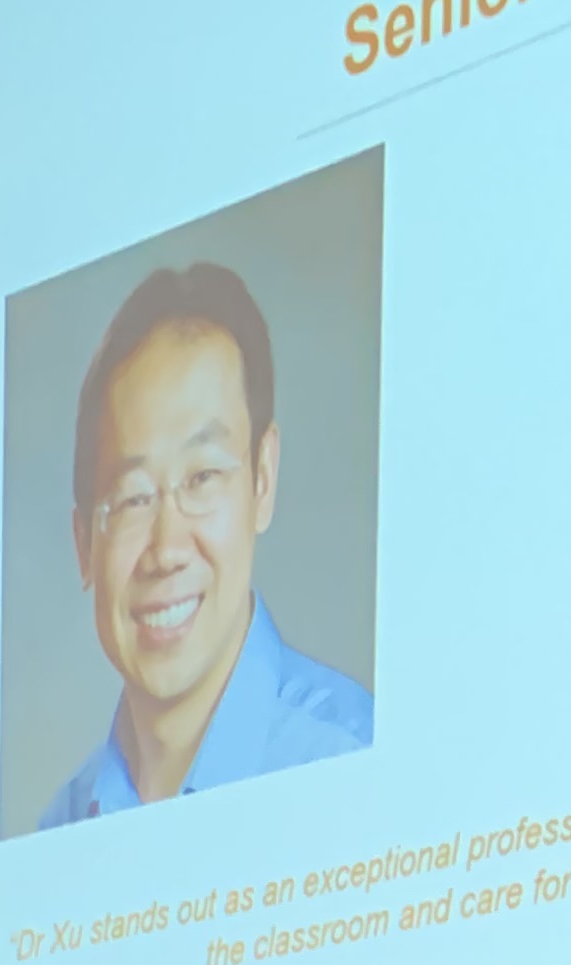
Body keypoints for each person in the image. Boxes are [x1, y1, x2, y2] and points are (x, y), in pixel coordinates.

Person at [37, 260, 369, 828]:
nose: (166, 550)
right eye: (133, 497)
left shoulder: (352, 762)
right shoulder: (62, 826)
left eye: (202, 479)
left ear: (263, 479)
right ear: (83, 544)